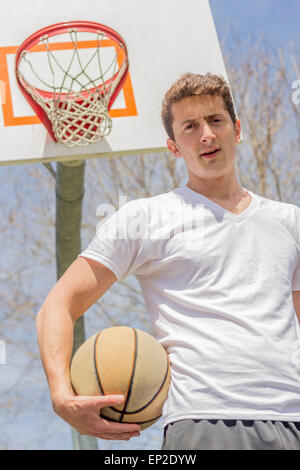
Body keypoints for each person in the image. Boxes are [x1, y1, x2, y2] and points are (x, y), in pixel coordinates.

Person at [36, 72, 300, 450]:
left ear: (236, 129)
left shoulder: (289, 220)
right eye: (190, 126)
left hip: (292, 420)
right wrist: (62, 395)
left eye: (215, 120)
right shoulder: (145, 217)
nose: (206, 134)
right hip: (204, 421)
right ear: (174, 147)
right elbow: (58, 305)